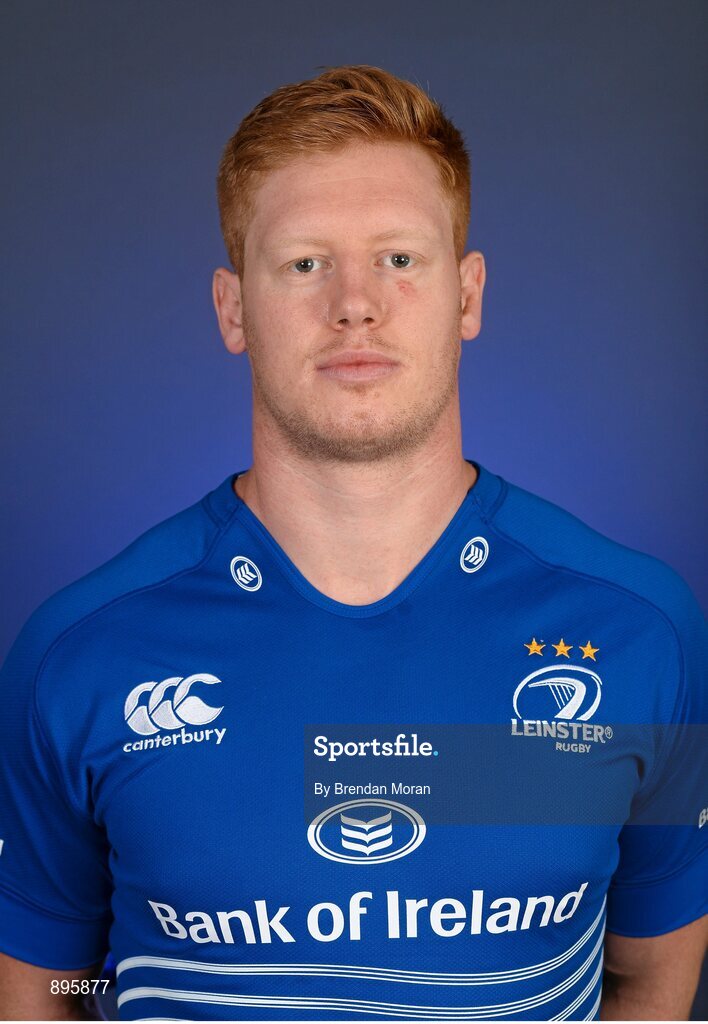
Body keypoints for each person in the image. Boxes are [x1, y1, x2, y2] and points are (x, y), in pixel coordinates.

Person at [0, 63, 705, 1022]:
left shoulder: (638, 633)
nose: (355, 303)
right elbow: (53, 985)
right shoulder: (78, 654)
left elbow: (645, 979)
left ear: (468, 295)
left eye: (400, 259)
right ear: (232, 309)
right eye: (304, 263)